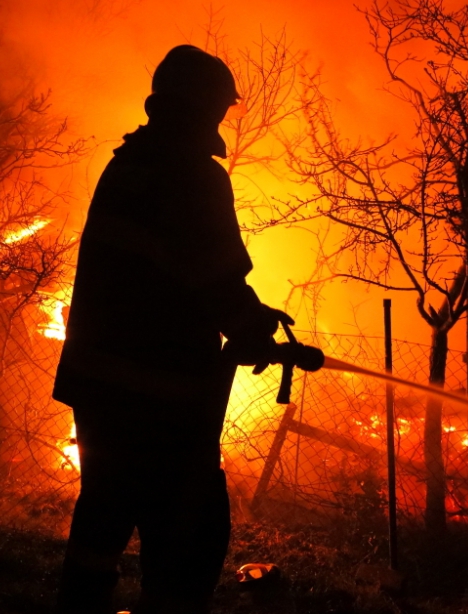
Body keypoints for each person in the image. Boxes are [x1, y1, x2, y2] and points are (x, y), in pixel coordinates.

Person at [53, 45, 294, 614]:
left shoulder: (128, 164)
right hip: (162, 392)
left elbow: (167, 267)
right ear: (202, 105)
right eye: (219, 107)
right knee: (190, 529)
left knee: (104, 513)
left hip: (99, 384)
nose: (221, 118)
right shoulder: (193, 174)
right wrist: (253, 325)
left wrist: (246, 320)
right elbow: (213, 276)